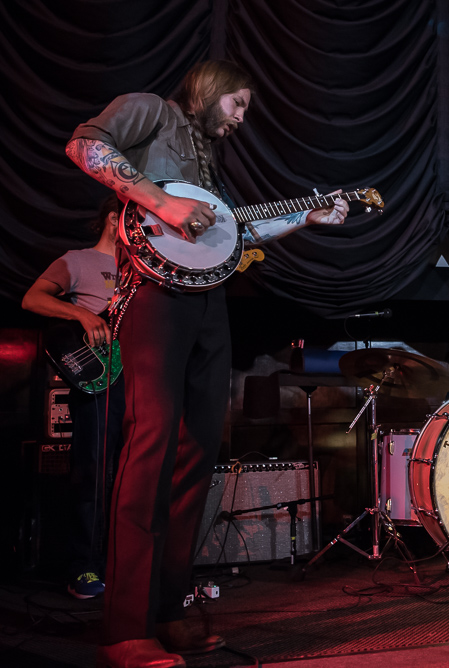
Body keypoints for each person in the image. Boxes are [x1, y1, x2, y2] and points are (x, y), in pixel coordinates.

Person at [65, 60, 349, 668]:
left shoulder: (206, 162)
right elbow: (84, 144)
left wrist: (307, 216)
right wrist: (158, 201)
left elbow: (231, 233)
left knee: (195, 454)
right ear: (212, 90)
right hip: (153, 298)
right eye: (239, 104)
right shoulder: (152, 110)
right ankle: (124, 627)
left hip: (207, 303)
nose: (242, 119)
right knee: (151, 446)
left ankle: (166, 610)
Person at [22, 194, 125, 600]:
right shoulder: (78, 260)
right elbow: (33, 298)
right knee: (93, 471)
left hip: (141, 375)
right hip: (101, 378)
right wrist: (81, 313)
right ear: (114, 218)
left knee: (134, 472)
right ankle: (83, 566)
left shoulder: (143, 268)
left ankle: (123, 563)